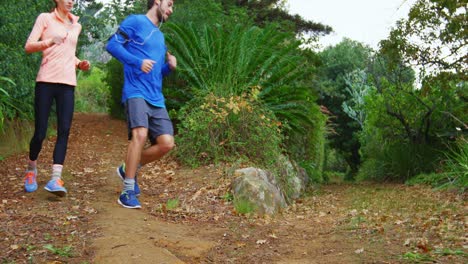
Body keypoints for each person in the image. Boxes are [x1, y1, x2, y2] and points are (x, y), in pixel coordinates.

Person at [106, 0, 176, 209]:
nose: (170, 10)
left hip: (156, 96)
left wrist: (169, 68)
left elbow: (155, 72)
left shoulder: (160, 36)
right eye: (169, 4)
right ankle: (127, 191)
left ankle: (128, 167)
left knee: (166, 143)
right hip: (135, 91)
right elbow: (111, 44)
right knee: (140, 134)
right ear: (157, 2)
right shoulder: (135, 22)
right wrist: (137, 62)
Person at [23, 0, 90, 197]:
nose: (71, 1)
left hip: (68, 83)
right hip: (46, 81)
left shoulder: (76, 25)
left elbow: (68, 52)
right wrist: (50, 41)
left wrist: (79, 63)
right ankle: (31, 169)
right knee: (40, 132)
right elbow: (28, 46)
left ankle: (55, 178)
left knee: (64, 130)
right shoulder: (45, 18)